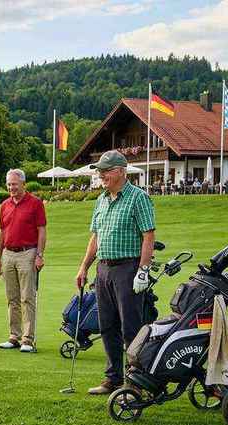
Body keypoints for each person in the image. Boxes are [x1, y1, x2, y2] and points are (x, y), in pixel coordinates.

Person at [76, 151, 156, 395]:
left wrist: (143, 270)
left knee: (131, 328)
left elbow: (148, 235)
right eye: (99, 171)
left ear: (121, 170)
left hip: (127, 269)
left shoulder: (138, 198)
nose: (101, 175)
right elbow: (96, 237)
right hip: (104, 269)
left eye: (106, 170)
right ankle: (113, 378)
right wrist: (84, 266)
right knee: (107, 325)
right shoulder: (101, 200)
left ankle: (134, 382)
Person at [0, 169, 46, 353]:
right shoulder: (5, 205)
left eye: (14, 184)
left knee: (27, 298)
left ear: (23, 184)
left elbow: (41, 230)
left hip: (28, 253)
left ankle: (28, 340)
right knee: (12, 298)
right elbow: (1, 233)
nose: (11, 187)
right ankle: (14, 337)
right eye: (8, 184)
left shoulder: (35, 203)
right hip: (8, 254)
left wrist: (39, 255)